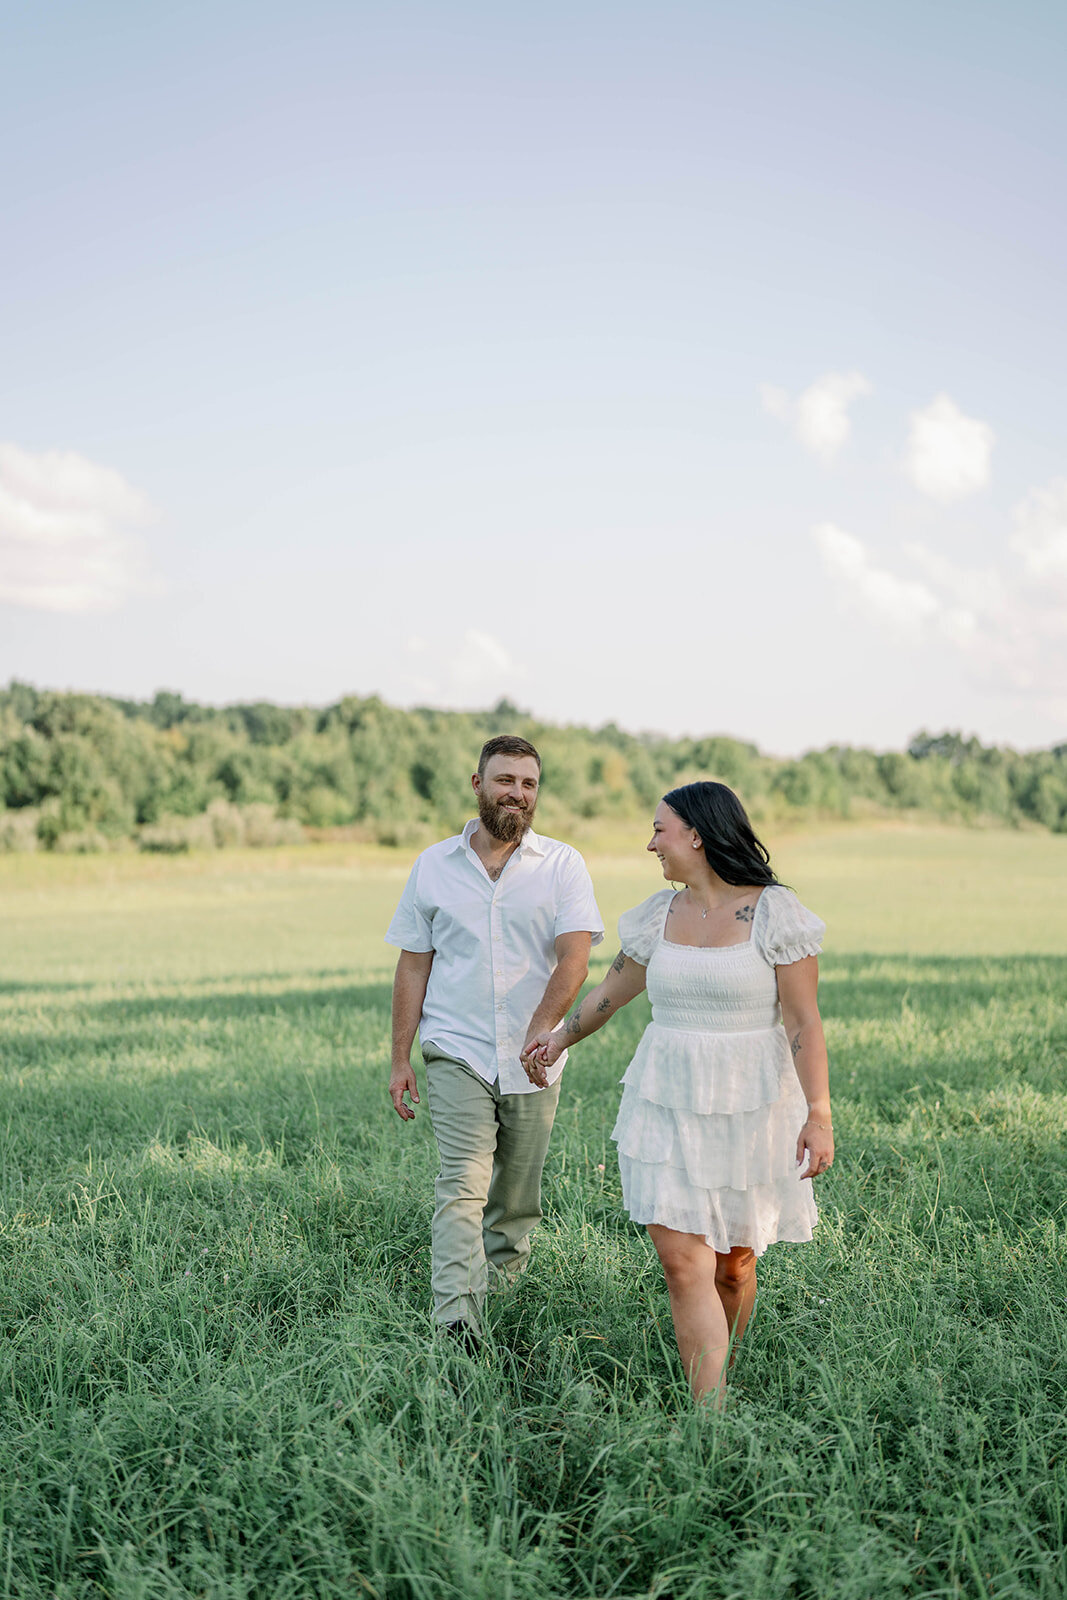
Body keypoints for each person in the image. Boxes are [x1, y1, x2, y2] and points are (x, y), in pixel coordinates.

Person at [521, 781, 833, 1405]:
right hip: (666, 1096)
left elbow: (802, 1022)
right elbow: (610, 993)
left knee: (733, 1265)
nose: (650, 843)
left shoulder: (777, 915)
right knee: (682, 1262)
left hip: (752, 1103)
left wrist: (818, 1113)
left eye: (659, 830)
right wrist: (559, 1039)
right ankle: (709, 1419)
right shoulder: (656, 916)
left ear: (696, 833)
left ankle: (722, 1371)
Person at [386, 734, 604, 1343]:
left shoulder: (562, 864)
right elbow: (412, 964)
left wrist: (542, 1029)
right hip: (456, 1047)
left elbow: (575, 959)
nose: (518, 794)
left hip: (534, 1058)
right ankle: (457, 1320)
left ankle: (502, 1298)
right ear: (477, 784)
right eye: (506, 780)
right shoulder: (433, 864)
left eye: (529, 784)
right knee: (462, 1184)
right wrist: (400, 1057)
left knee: (515, 1197)